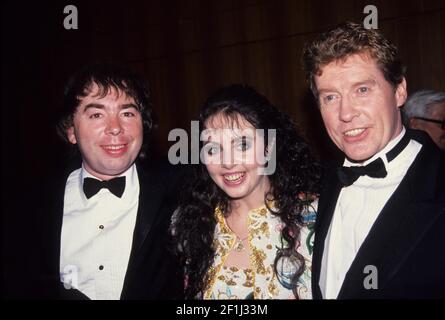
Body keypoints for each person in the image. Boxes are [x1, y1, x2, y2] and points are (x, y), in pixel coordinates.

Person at [303, 22, 445, 299]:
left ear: (400, 90)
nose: (346, 113)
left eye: (362, 90)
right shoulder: (318, 186)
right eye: (331, 97)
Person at [25, 64, 184, 299]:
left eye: (127, 113)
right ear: (71, 130)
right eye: (97, 114)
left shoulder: (179, 188)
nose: (115, 128)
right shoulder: (30, 207)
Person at [171, 84, 321, 299]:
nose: (228, 162)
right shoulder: (189, 223)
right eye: (213, 149)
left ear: (269, 147)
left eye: (242, 145)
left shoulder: (314, 218)